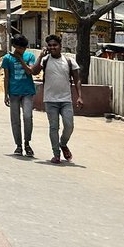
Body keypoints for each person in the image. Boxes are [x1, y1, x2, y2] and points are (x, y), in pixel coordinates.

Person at [36, 35, 83, 163]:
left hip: (66, 100)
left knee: (69, 126)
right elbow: (34, 72)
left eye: (54, 45)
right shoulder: (45, 60)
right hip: (50, 100)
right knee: (53, 127)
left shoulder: (69, 61)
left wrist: (79, 96)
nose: (52, 48)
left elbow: (77, 79)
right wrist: (40, 56)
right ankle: (56, 154)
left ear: (60, 46)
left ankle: (63, 143)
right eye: (50, 45)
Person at [1, 34, 39, 156]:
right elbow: (6, 77)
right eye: (19, 48)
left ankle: (27, 143)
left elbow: (30, 71)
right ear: (14, 46)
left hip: (27, 91)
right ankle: (18, 145)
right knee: (15, 119)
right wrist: (6, 94)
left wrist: (20, 59)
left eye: (23, 48)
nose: (22, 50)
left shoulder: (30, 56)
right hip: (14, 92)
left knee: (28, 117)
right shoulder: (7, 58)